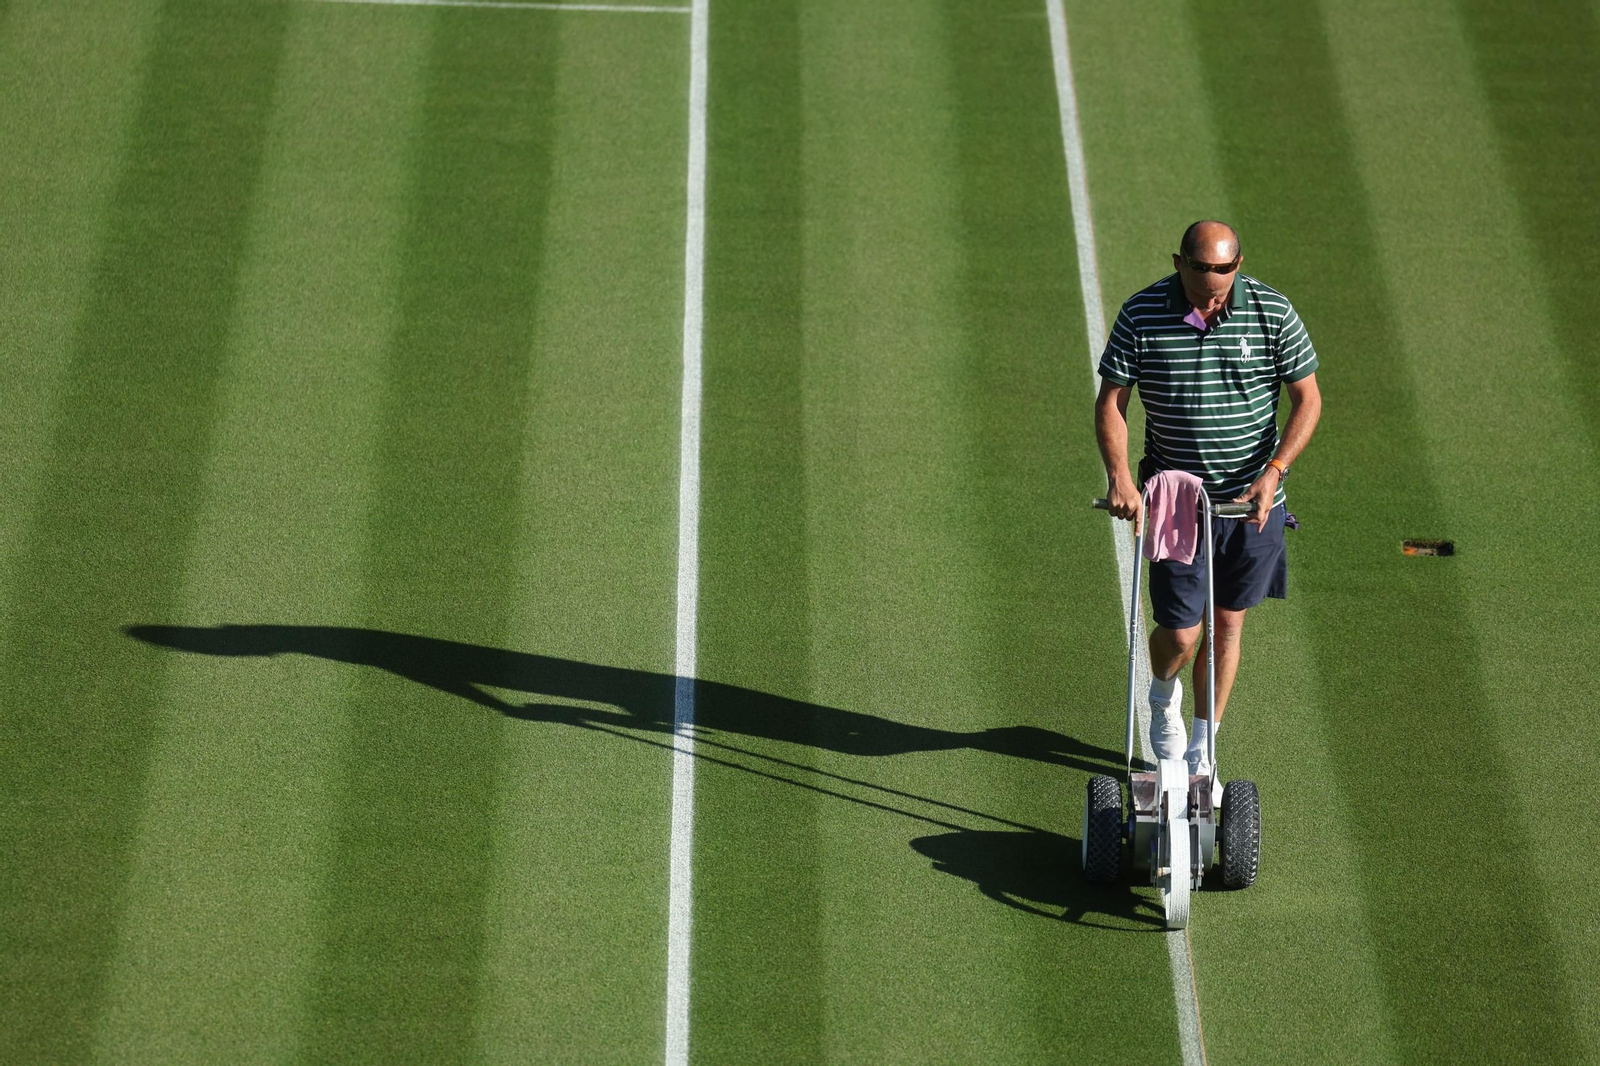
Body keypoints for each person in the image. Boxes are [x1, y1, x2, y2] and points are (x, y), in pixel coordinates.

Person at [1094, 220, 1322, 776]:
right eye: (1201, 275)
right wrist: (1120, 477)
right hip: (1176, 500)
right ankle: (1162, 695)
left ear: (1237, 265)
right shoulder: (1141, 313)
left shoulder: (1272, 312)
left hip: (1250, 504)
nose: (1211, 289)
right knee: (1180, 632)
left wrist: (1274, 472)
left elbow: (1308, 399)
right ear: (1179, 263)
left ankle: (1202, 751)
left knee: (1226, 627)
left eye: (1222, 276)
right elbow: (1112, 402)